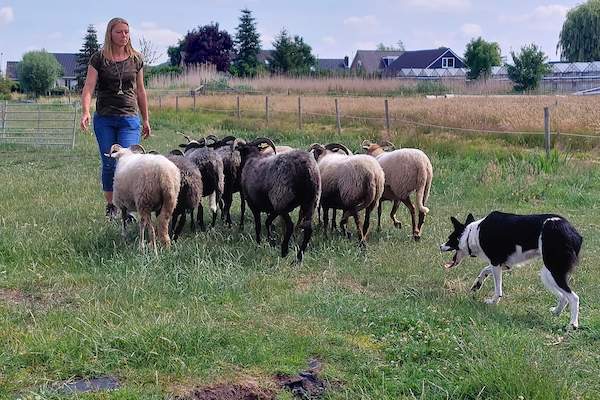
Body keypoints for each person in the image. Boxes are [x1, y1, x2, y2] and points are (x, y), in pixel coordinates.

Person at [80, 17, 151, 218]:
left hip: (129, 118)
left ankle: (128, 209)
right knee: (110, 163)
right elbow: (88, 87)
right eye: (119, 32)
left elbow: (141, 91)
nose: (124, 36)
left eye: (126, 32)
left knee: (129, 162)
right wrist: (85, 111)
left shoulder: (136, 59)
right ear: (110, 34)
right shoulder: (98, 58)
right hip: (105, 119)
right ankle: (111, 207)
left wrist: (145, 119)